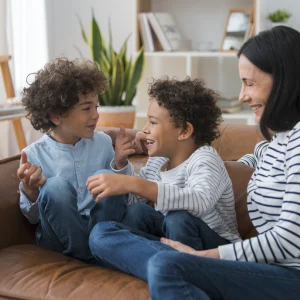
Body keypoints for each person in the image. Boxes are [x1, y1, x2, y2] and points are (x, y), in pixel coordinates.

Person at [144, 25, 300, 300]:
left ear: (285, 81)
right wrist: (149, 136)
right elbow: (248, 161)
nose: (242, 96)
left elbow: (289, 240)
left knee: (165, 265)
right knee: (118, 231)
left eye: (250, 83)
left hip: (291, 275)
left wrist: (206, 257)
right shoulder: (276, 143)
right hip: (265, 267)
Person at [87, 76, 241, 280]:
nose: (145, 130)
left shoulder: (205, 158)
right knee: (111, 228)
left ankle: (181, 270)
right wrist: (123, 166)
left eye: (153, 122)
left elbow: (200, 201)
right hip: (174, 244)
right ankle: (170, 269)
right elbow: (134, 205)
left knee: (178, 218)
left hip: (215, 249)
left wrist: (135, 183)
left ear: (184, 131)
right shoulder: (157, 162)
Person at [18, 58, 128, 263]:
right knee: (55, 186)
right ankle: (93, 257)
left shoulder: (104, 143)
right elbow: (33, 218)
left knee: (108, 178)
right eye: (86, 108)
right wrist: (30, 191)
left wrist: (120, 165)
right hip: (58, 240)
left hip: (100, 229)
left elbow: (119, 202)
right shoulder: (33, 155)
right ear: (56, 116)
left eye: (96, 106)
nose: (96, 115)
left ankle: (95, 252)